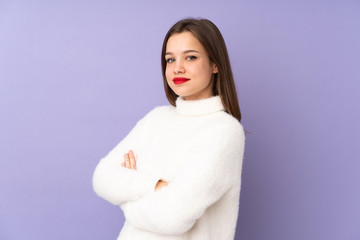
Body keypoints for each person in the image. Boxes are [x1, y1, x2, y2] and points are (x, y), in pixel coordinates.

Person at [92, 18, 245, 240]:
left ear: (215, 64)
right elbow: (102, 177)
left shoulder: (224, 131)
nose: (177, 68)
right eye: (170, 59)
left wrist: (126, 197)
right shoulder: (156, 118)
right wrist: (155, 185)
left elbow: (173, 216)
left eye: (190, 57)